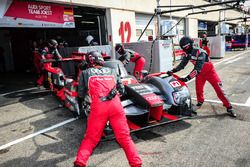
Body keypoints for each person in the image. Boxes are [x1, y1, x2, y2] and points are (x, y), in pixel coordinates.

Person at [74, 51, 142, 167]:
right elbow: (122, 90)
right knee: (124, 137)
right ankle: (136, 164)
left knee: (91, 138)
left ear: (89, 61)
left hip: (98, 107)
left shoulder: (85, 73)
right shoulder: (112, 71)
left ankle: (80, 162)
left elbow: (80, 94)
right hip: (116, 106)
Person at [167, 36, 236, 117]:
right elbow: (182, 65)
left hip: (210, 73)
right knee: (199, 91)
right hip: (200, 75)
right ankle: (199, 103)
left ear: (190, 45)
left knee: (219, 89)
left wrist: (187, 78)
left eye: (185, 47)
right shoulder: (186, 54)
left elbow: (197, 69)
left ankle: (229, 107)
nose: (184, 49)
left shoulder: (200, 52)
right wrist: (172, 71)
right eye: (183, 47)